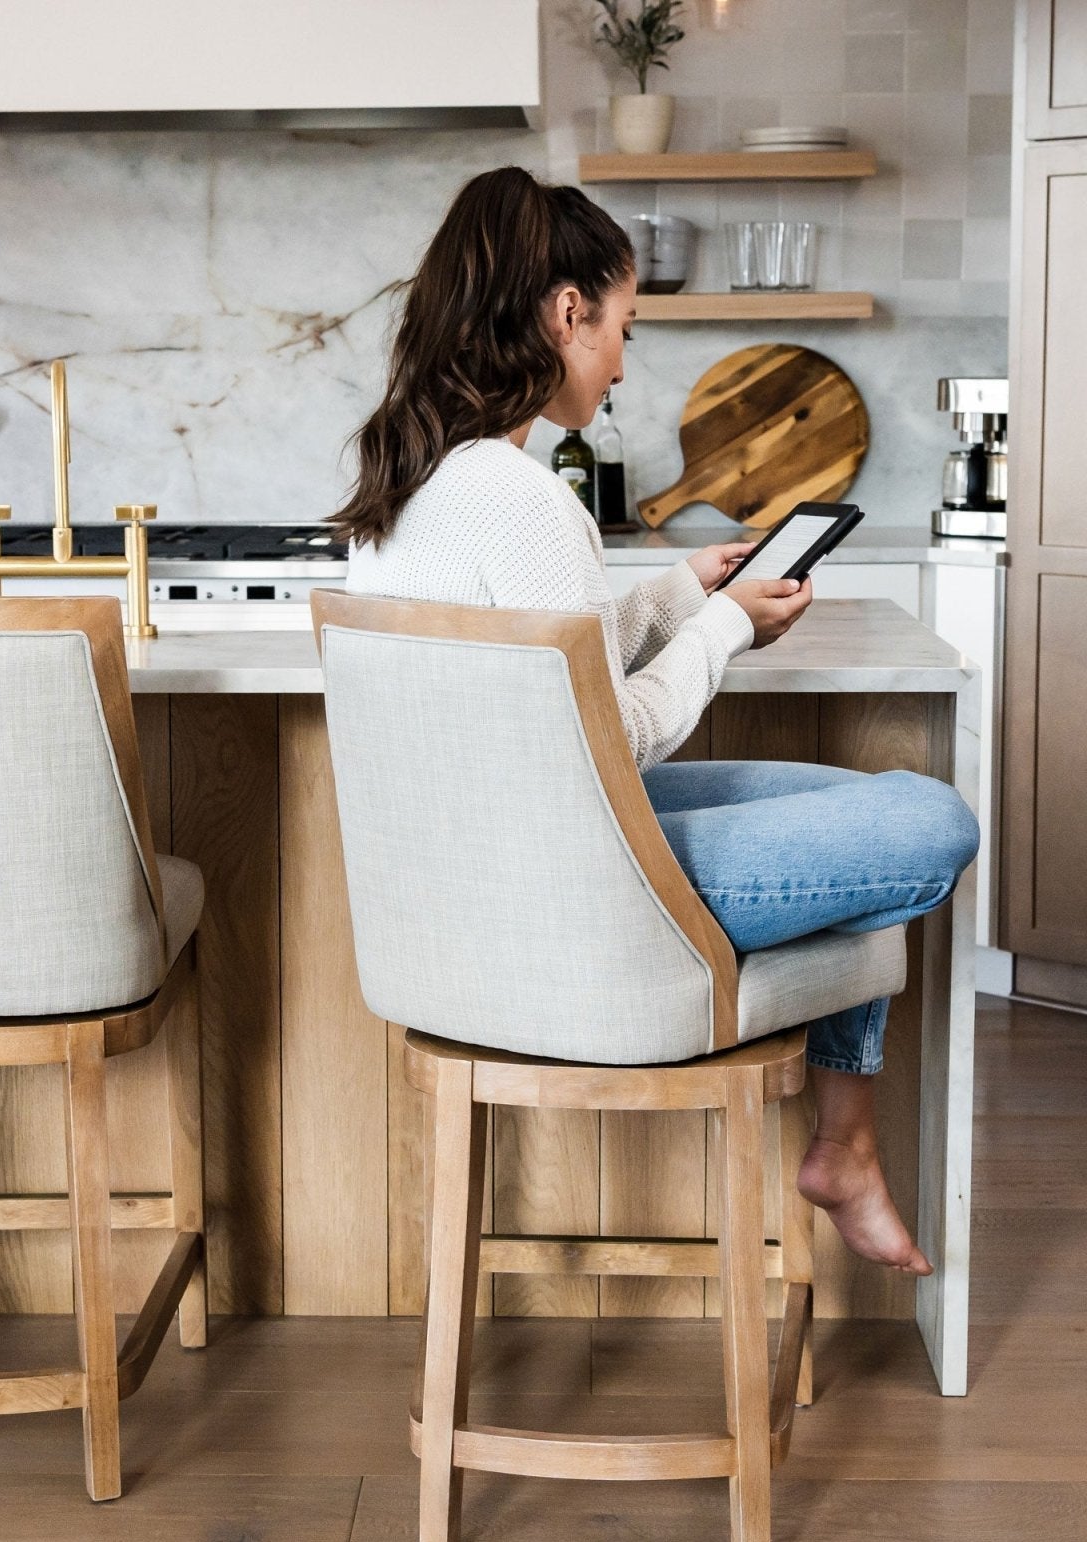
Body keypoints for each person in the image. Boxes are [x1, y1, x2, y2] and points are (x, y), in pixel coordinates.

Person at [332, 165, 979, 1277]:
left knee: (838, 806)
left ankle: (845, 1145)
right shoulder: (523, 495)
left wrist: (685, 593)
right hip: (583, 904)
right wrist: (724, 629)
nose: (625, 361)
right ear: (564, 312)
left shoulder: (412, 478)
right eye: (622, 326)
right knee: (924, 820)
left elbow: (551, 669)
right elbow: (619, 733)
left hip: (485, 888)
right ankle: (843, 1141)